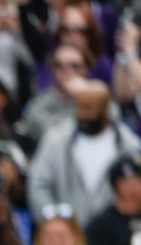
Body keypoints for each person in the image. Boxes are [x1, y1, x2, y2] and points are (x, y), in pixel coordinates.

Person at [27, 80, 141, 227]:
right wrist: (53, 222)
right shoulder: (55, 140)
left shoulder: (130, 145)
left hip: (114, 236)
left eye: (87, 107)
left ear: (105, 108)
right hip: (66, 236)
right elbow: (38, 186)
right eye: (78, 106)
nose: (81, 114)